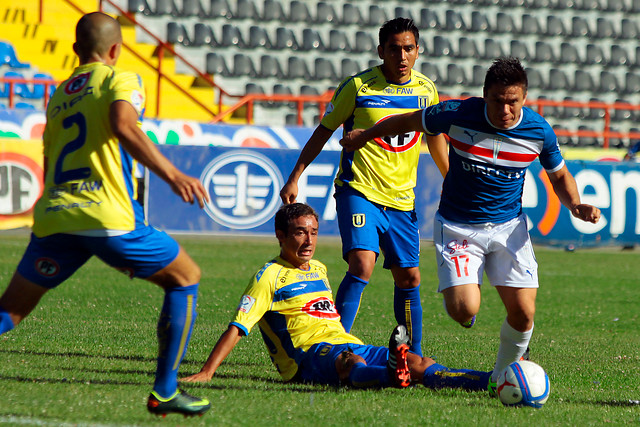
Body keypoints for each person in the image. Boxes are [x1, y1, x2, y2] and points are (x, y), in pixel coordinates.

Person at [339, 57, 601, 394]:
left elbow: (560, 175)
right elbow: (407, 121)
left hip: (509, 228)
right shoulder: (457, 113)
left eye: (513, 101)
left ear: (524, 98)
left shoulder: (538, 132)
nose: (505, 109)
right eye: (498, 100)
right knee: (464, 311)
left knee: (523, 315)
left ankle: (503, 377)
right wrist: (367, 135)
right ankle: (474, 317)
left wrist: (575, 204)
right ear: (484, 96)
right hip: (459, 226)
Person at [0, 12, 210, 417]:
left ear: (76, 49)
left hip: (56, 216)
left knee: (8, 312)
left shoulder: (59, 95)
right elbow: (124, 125)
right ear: (116, 49)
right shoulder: (121, 79)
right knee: (186, 278)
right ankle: (165, 391)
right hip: (107, 217)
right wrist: (172, 174)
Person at [183, 203, 490, 392]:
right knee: (349, 363)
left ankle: (487, 380)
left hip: (346, 341)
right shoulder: (268, 277)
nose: (309, 240)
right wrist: (207, 373)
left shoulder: (318, 269)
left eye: (314, 232)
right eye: (300, 232)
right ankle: (392, 376)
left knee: (419, 363)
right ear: (281, 235)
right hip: (308, 357)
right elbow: (237, 327)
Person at [280, 17, 448, 357]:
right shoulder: (358, 87)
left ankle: (413, 353)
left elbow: (435, 139)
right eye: (394, 49)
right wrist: (295, 175)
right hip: (359, 190)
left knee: (410, 279)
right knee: (362, 265)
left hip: (402, 200)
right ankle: (331, 345)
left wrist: (452, 180)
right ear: (380, 51)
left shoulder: (426, 90)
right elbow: (324, 131)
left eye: (408, 49)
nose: (401, 56)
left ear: (418, 51)